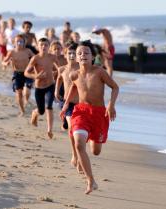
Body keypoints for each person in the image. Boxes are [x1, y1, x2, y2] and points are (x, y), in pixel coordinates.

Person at [60, 40, 119, 194]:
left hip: (99, 113)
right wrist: (66, 105)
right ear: (76, 58)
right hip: (81, 112)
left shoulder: (99, 72)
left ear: (93, 57)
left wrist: (111, 105)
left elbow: (115, 87)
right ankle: (90, 180)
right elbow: (74, 87)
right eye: (80, 53)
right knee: (79, 144)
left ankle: (92, 141)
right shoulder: (74, 74)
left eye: (86, 53)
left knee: (96, 151)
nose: (82, 55)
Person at [24, 38, 58, 139]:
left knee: (49, 106)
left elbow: (59, 68)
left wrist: (57, 73)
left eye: (46, 45)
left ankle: (49, 130)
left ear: (49, 47)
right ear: (38, 47)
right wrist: (36, 76)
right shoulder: (35, 58)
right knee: (41, 110)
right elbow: (26, 72)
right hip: (39, 87)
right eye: (41, 45)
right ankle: (35, 113)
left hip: (50, 85)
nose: (43, 47)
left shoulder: (52, 57)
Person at [55, 41, 81, 171]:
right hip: (67, 104)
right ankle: (74, 154)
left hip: (81, 104)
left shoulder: (81, 69)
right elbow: (59, 78)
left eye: (73, 53)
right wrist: (56, 90)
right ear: (65, 54)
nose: (71, 55)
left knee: (80, 133)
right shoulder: (62, 69)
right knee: (71, 128)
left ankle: (80, 153)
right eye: (69, 53)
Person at [2, 34, 35, 116]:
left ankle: (26, 101)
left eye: (21, 41)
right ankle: (22, 110)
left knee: (27, 91)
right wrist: (5, 63)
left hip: (27, 73)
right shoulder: (12, 52)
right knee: (19, 93)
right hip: (17, 74)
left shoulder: (28, 51)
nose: (19, 43)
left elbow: (36, 58)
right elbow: (3, 61)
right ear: (14, 42)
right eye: (17, 42)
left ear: (24, 42)